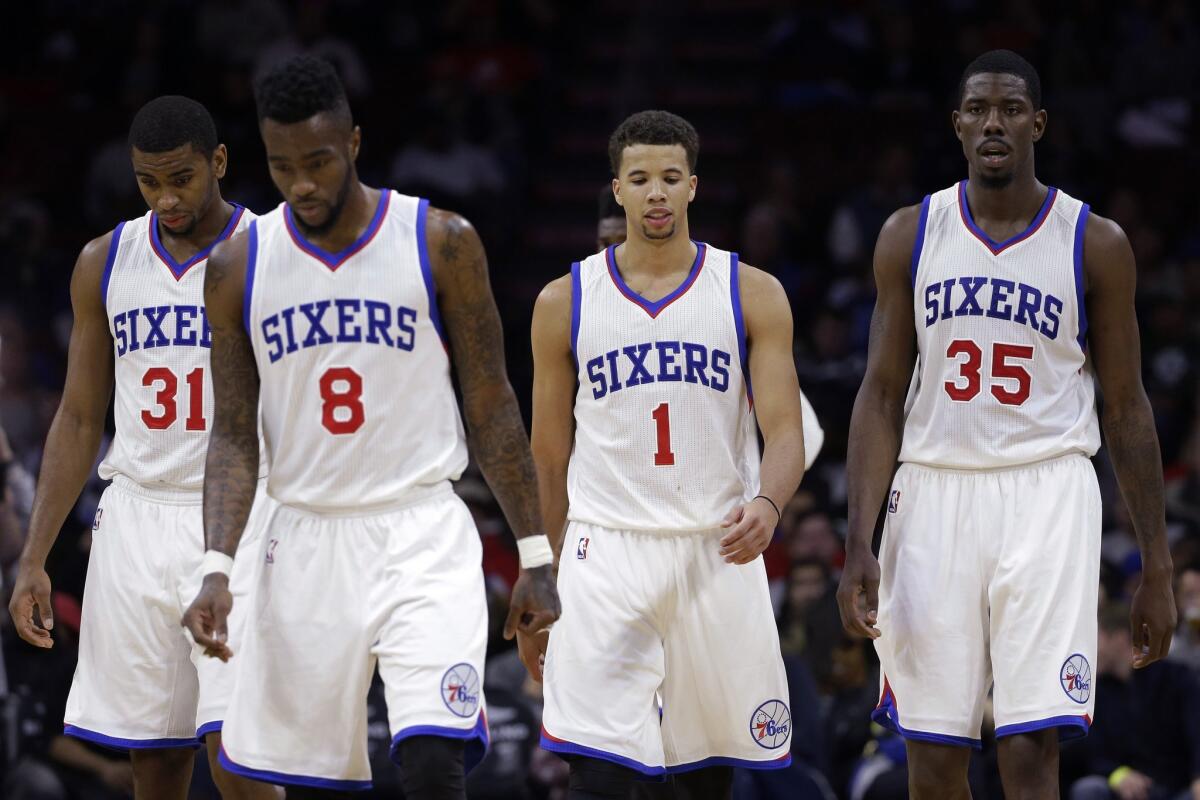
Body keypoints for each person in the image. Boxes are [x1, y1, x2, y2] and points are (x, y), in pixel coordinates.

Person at [181, 55, 560, 798]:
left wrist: (536, 553)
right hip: (306, 537)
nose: (303, 184)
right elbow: (230, 434)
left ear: (354, 142)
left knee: (429, 755)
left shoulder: (441, 239)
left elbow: (491, 404)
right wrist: (217, 567)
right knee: (318, 776)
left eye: (319, 161)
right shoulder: (236, 264)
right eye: (284, 166)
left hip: (420, 528)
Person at [837, 49, 1178, 799]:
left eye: (1012, 109)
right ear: (957, 124)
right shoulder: (909, 232)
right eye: (979, 109)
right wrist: (859, 537)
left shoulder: (1096, 243)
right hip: (932, 491)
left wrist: (1156, 562)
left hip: (1048, 491)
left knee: (1032, 750)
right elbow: (881, 392)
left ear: (1039, 124)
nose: (995, 122)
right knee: (931, 760)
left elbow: (1125, 407)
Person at [528, 110, 806, 799]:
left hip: (712, 550)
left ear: (693, 188)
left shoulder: (752, 293)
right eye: (641, 178)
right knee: (596, 775)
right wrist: (541, 568)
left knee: (703, 781)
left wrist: (770, 504)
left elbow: (786, 431)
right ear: (617, 189)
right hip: (605, 550)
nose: (656, 192)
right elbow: (547, 453)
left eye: (670, 178)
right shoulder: (564, 302)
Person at [6, 96, 274, 800]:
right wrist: (34, 556)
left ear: (218, 162)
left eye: (181, 178)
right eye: (149, 182)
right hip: (135, 517)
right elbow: (78, 416)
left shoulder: (271, 253)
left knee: (239, 756)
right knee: (154, 762)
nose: (166, 198)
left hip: (241, 517)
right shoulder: (106, 260)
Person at [595, 186, 826, 473]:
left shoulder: (718, 314)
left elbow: (803, 439)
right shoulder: (580, 323)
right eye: (608, 243)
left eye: (625, 241)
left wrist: (764, 498)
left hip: (719, 512)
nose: (620, 254)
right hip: (615, 513)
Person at [1068, 602, 1200, 800]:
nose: (1090, 650)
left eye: (1097, 638)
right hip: (1125, 787)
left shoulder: (1177, 679)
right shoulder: (1096, 691)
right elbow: (1091, 750)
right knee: (1088, 789)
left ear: (1119, 639)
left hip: (1176, 786)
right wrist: (1116, 774)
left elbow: (1196, 733)